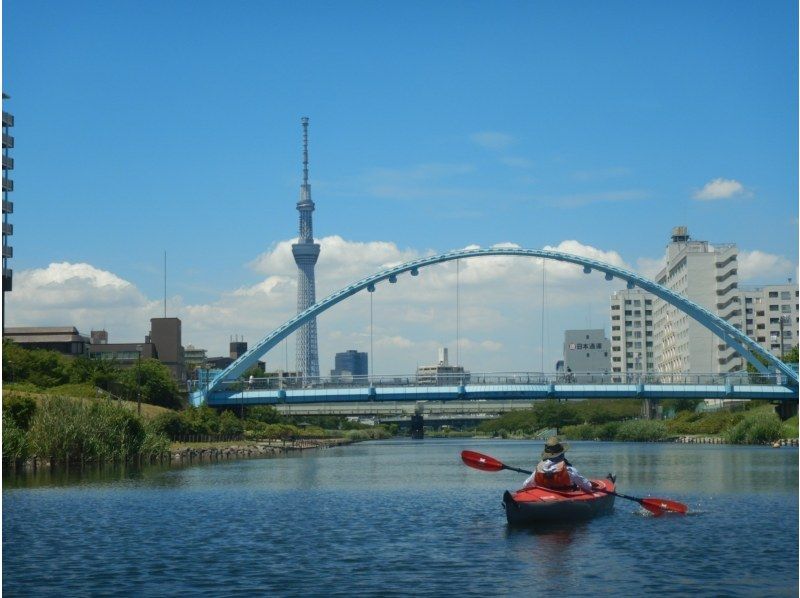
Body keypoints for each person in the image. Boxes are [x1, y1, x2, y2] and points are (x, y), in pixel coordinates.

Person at [523, 437, 594, 493]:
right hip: (565, 497)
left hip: (545, 497)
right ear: (562, 454)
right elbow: (587, 486)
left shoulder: (539, 469)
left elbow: (525, 485)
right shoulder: (568, 469)